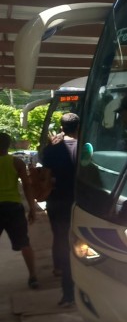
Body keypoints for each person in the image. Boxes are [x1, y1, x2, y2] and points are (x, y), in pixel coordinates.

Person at [41, 113, 79, 307]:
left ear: (61, 127)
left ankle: (62, 276)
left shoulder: (51, 151)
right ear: (79, 126)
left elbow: (46, 178)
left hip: (57, 201)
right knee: (80, 241)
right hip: (81, 202)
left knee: (60, 238)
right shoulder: (86, 148)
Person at [0, 132, 39, 289]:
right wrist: (32, 208)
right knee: (24, 243)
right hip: (14, 207)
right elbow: (27, 186)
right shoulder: (17, 163)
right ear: (8, 145)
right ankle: (33, 276)